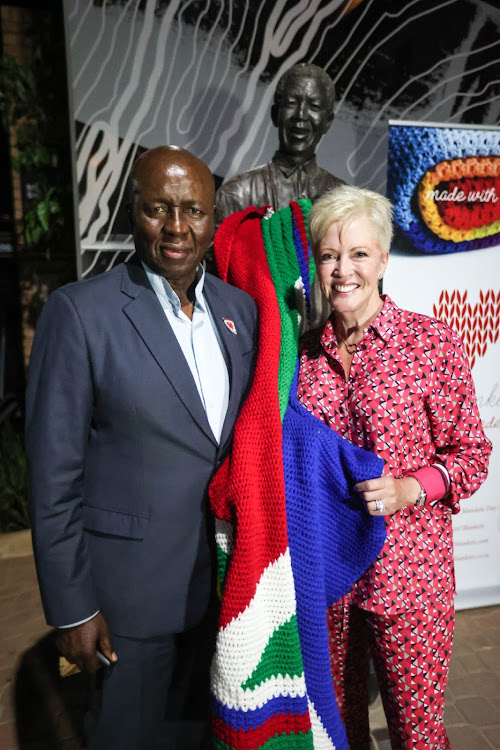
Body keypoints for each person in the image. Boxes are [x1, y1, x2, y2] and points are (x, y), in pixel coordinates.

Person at [25, 146, 258, 750]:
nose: (177, 228)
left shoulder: (241, 313)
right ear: (134, 212)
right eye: (158, 209)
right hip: (126, 604)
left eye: (193, 211)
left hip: (223, 594)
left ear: (214, 217)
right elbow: (53, 477)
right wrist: (72, 608)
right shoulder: (79, 313)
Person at [297, 184, 491, 749]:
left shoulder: (431, 344)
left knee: (417, 734)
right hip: (331, 584)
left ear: (383, 259)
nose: (343, 270)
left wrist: (412, 487)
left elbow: (471, 455)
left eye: (358, 254)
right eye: (330, 255)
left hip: (409, 582)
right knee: (340, 731)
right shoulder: (304, 356)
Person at [215, 62, 344, 226]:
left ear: (328, 122)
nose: (301, 115)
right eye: (291, 103)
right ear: (276, 114)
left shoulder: (344, 200)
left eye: (314, 106)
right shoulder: (237, 194)